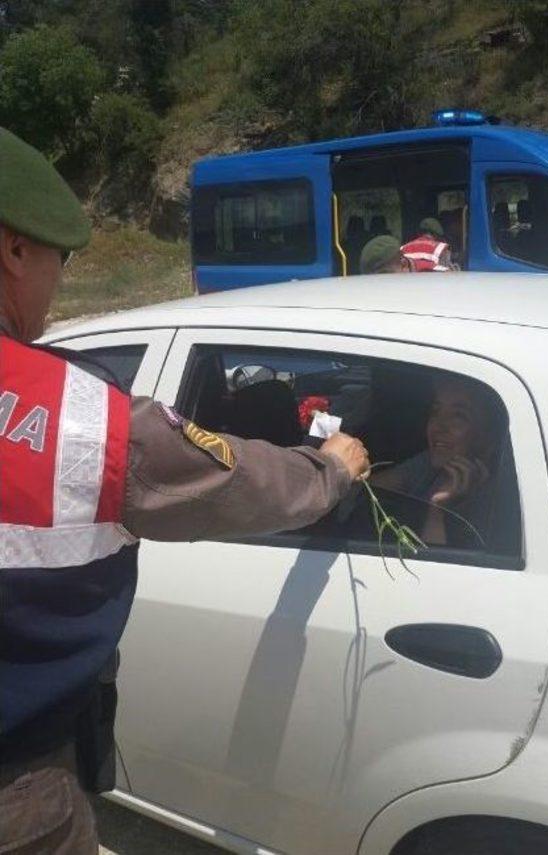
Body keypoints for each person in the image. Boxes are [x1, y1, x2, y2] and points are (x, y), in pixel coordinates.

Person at [0, 127, 370, 853]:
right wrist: (331, 468)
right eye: (60, 259)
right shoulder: (86, 421)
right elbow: (233, 481)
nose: (60, 281)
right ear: (14, 250)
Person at [372, 374, 503, 549]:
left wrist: (438, 510)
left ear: (487, 438)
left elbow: (429, 562)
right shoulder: (432, 462)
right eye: (435, 412)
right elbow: (368, 489)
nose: (438, 426)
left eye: (458, 416)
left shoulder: (496, 505)